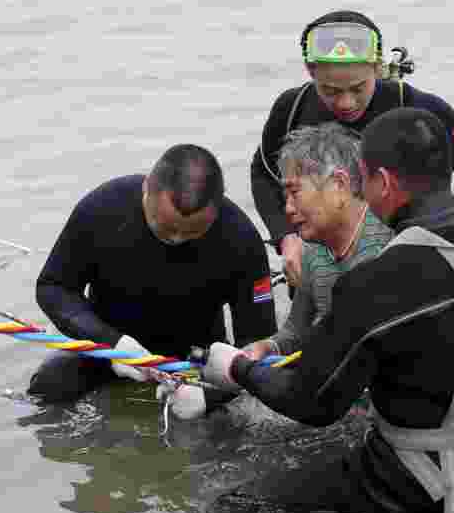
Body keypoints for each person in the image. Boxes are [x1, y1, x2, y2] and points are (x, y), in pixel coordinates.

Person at [193, 107, 454, 513]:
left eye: (365, 179)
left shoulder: (373, 283)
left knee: (233, 505)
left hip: (419, 485)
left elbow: (310, 403)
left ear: (383, 183)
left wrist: (236, 368)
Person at [251, 10, 454, 291]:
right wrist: (286, 237)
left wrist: (453, 233)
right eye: (331, 91)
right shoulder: (291, 109)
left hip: (408, 269)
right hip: (319, 274)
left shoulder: (419, 109)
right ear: (310, 71)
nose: (346, 102)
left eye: (358, 88)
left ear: (377, 68)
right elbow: (263, 174)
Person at [28, 144, 276, 402]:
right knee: (49, 383)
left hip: (193, 356)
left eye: (192, 233)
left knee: (214, 422)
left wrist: (210, 399)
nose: (176, 239)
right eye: (163, 227)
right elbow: (53, 287)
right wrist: (111, 343)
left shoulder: (241, 239)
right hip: (108, 346)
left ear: (216, 211)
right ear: (147, 187)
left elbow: (256, 348)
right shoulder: (103, 208)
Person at [241, 122, 393, 362]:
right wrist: (265, 348)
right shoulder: (314, 250)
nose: (288, 209)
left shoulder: (390, 242)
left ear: (339, 185)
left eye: (295, 192)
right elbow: (295, 332)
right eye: (285, 196)